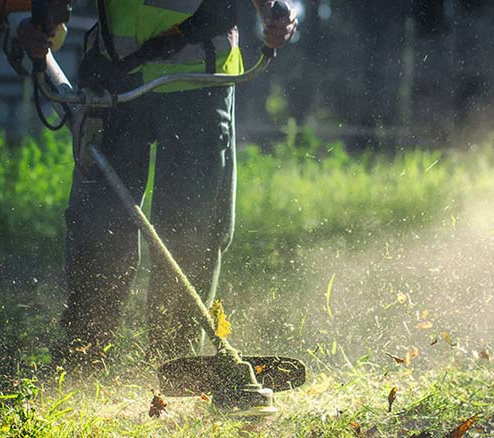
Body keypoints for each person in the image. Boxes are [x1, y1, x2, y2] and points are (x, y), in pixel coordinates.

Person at [16, 0, 297, 365]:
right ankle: (83, 354)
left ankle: (176, 364)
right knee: (99, 225)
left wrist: (272, 10)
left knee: (190, 229)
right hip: (115, 75)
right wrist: (41, 21)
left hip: (199, 76)